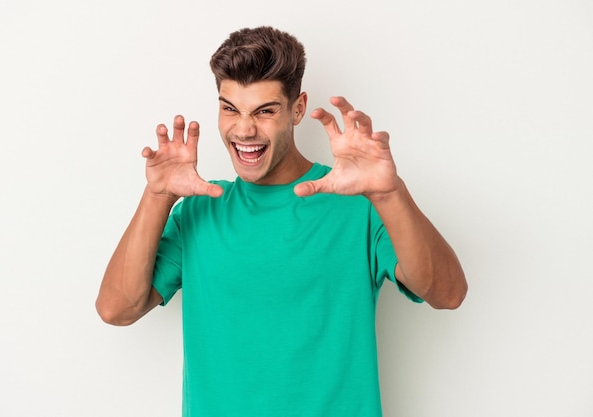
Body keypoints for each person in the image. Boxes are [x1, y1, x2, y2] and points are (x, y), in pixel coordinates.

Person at [96, 26, 467, 417]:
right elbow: (117, 309)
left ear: (298, 108)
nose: (243, 129)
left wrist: (389, 195)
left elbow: (448, 293)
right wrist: (158, 196)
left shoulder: (357, 206)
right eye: (229, 109)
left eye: (265, 111)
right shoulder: (199, 210)